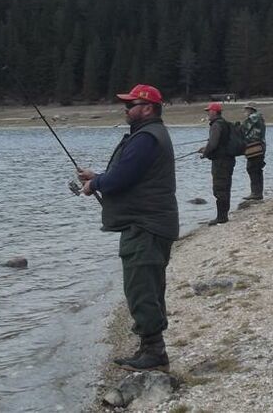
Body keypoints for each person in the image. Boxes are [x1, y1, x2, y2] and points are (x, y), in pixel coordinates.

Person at [76, 84, 178, 373]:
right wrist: (98, 176)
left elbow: (122, 178)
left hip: (146, 225)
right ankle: (150, 347)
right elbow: (130, 175)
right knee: (149, 286)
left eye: (131, 104)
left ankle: (155, 354)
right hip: (153, 223)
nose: (126, 109)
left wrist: (93, 184)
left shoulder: (146, 138)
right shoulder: (149, 136)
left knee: (141, 288)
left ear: (147, 108)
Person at [199, 101, 236, 225]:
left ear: (214, 112)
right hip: (228, 159)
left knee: (219, 188)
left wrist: (205, 153)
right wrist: (205, 148)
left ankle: (221, 217)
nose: (208, 113)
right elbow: (220, 143)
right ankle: (223, 214)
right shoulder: (224, 123)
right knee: (225, 187)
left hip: (221, 161)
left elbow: (214, 143)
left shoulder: (216, 125)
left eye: (208, 111)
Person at [239, 103, 266, 200]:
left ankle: (255, 193)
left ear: (250, 110)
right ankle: (258, 193)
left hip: (254, 147)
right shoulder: (259, 118)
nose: (244, 112)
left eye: (245, 110)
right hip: (260, 147)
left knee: (252, 169)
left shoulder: (253, 118)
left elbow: (241, 129)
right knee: (257, 169)